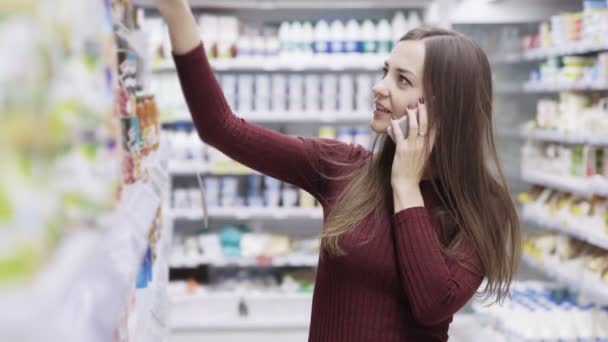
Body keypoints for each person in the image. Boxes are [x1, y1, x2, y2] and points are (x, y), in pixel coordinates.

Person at [154, 1, 521, 341]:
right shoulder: (341, 166)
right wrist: (176, 12)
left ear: (445, 108)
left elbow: (432, 305)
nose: (379, 88)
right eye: (385, 72)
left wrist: (406, 186)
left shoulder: (482, 208)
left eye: (402, 80)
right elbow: (221, 128)